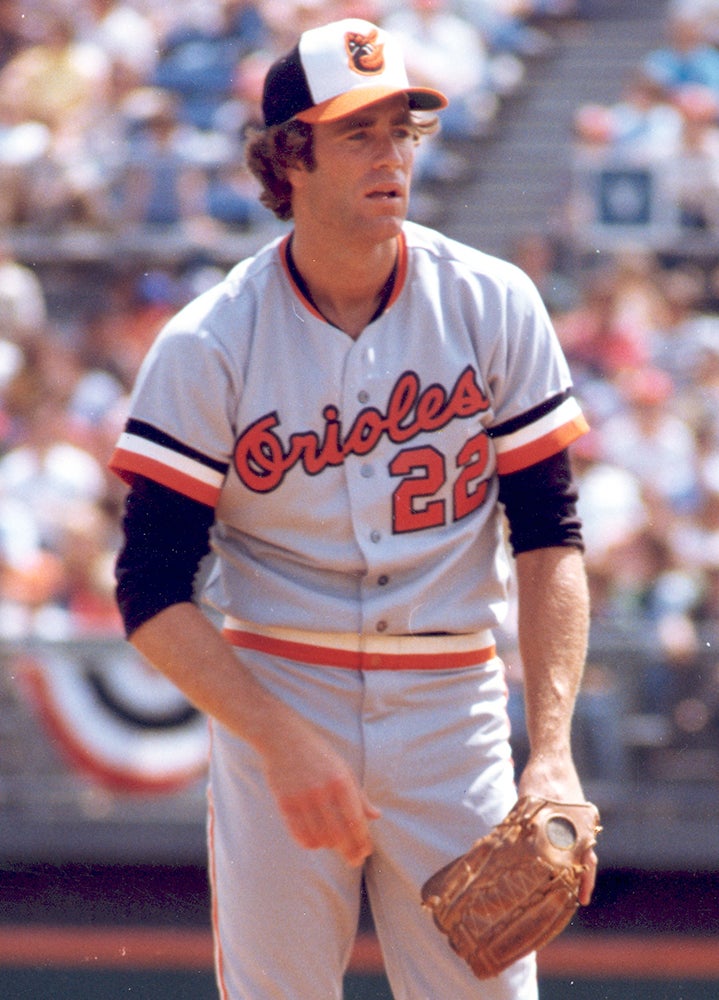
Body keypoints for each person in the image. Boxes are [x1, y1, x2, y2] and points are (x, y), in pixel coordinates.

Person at [110, 17, 597, 1000]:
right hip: (278, 688)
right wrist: (277, 738)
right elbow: (148, 591)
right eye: (358, 133)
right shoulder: (211, 342)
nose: (392, 155)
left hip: (450, 702)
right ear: (289, 159)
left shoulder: (490, 303)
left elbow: (550, 537)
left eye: (402, 129)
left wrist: (548, 753)